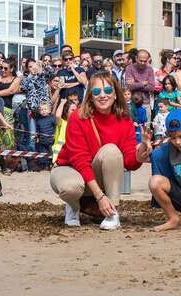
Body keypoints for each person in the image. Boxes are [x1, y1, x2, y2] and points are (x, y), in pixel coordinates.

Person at [51, 71, 152, 230]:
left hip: (96, 170)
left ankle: (112, 212)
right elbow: (80, 160)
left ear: (116, 94)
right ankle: (73, 206)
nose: (102, 95)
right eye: (96, 91)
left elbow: (129, 163)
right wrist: (99, 197)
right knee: (70, 188)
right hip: (69, 167)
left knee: (111, 150)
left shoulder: (125, 119)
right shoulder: (78, 117)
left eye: (108, 90)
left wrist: (141, 154)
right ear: (90, 95)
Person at [125, 49, 155, 118]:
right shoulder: (130, 68)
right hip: (132, 104)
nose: (142, 63)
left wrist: (135, 83)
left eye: (145, 61)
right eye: (140, 60)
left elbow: (151, 87)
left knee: (146, 127)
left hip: (145, 103)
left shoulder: (150, 69)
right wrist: (142, 83)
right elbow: (129, 86)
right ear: (136, 58)